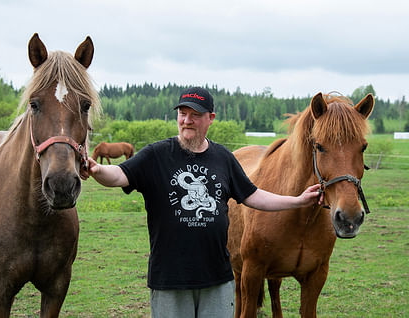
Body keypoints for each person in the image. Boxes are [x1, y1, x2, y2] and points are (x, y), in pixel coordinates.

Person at [83, 87, 323, 317]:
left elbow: (253, 195)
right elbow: (119, 175)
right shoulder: (156, 155)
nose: (187, 120)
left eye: (195, 115)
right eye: (182, 114)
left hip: (217, 280)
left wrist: (297, 201)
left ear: (210, 118)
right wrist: (97, 169)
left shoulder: (223, 158)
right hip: (170, 280)